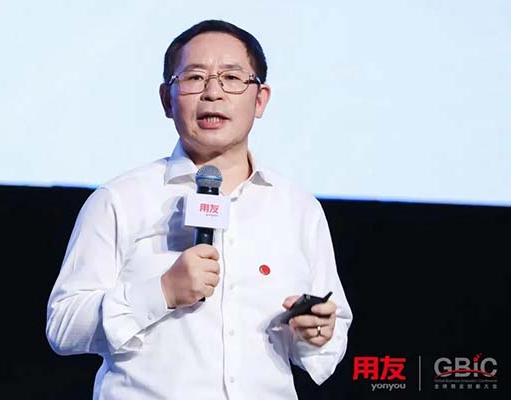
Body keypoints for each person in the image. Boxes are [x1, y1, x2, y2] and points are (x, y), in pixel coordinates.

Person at [46, 19, 353, 400]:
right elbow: (63, 325)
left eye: (232, 78)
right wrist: (161, 292)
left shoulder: (298, 209)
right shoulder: (120, 199)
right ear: (166, 99)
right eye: (194, 78)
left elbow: (331, 333)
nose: (212, 93)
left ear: (260, 99)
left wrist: (315, 333)